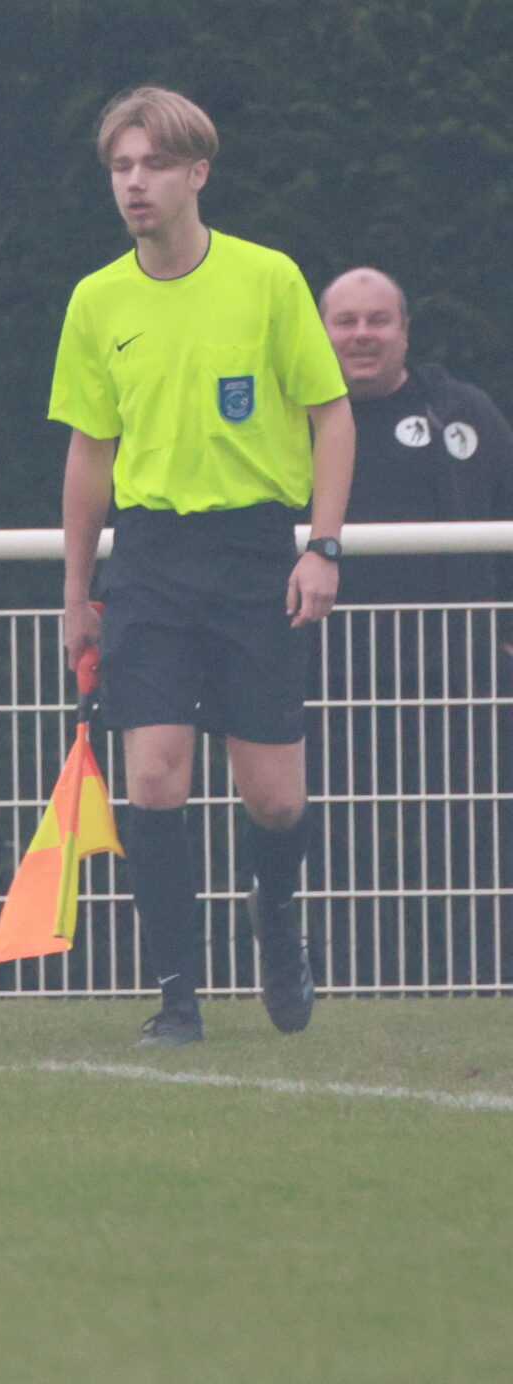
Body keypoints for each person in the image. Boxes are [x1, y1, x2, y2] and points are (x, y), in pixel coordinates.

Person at [50, 87, 353, 1045]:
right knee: (153, 781)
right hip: (150, 560)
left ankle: (277, 920)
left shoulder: (268, 279)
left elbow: (331, 414)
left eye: (152, 165)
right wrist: (75, 593)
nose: (134, 184)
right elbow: (89, 451)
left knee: (277, 798)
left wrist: (323, 546)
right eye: (120, 167)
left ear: (197, 173)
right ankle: (178, 997)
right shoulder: (97, 299)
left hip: (255, 553)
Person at [316, 267, 513, 989]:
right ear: (321, 332)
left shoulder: (462, 412)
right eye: (346, 322)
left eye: (378, 320)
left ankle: (487, 980)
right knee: (340, 842)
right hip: (332, 677)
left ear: (405, 331)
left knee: (477, 836)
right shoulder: (290, 421)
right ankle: (344, 981)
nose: (362, 336)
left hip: (462, 675)